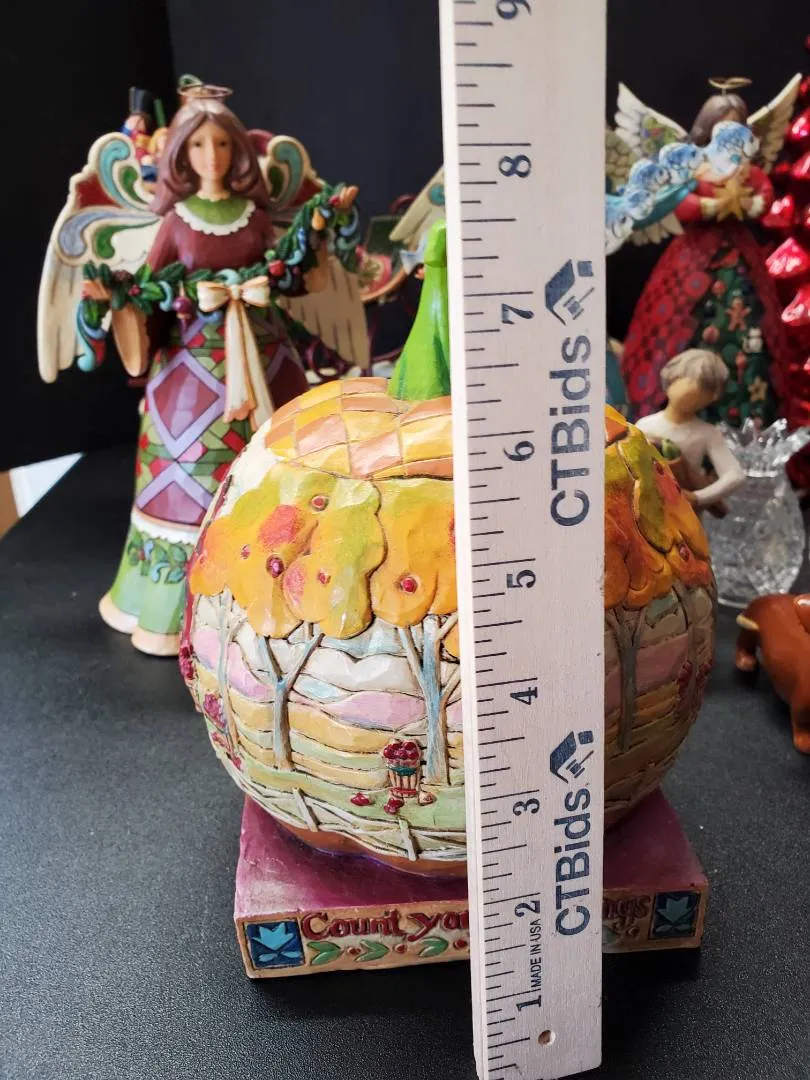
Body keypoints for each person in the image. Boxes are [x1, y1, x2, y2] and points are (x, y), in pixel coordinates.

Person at [635, 348, 745, 512]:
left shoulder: (708, 433)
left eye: (707, 388)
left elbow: (735, 475)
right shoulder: (645, 426)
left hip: (684, 513)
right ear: (672, 378)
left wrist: (697, 497)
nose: (695, 389)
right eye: (689, 379)